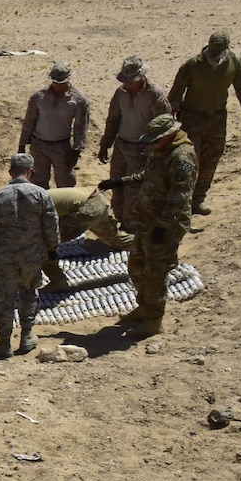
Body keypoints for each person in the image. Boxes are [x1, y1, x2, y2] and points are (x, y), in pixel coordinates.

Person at [99, 113, 195, 337]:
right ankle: (143, 307)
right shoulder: (161, 152)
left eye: (155, 139)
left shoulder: (182, 159)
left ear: (169, 135)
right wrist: (121, 182)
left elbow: (180, 198)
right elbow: (150, 176)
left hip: (165, 226)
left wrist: (163, 227)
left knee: (155, 273)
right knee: (136, 264)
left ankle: (154, 320)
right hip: (148, 221)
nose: (151, 144)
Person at [0, 153, 60, 358]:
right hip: (32, 257)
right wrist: (52, 249)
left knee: (3, 300)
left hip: (4, 259)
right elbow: (51, 225)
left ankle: (3, 342)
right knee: (29, 293)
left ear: (10, 172)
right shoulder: (41, 195)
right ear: (31, 172)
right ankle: (27, 335)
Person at [167, 30, 241, 215]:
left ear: (226, 48)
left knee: (211, 159)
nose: (215, 56)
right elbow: (177, 90)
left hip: (217, 118)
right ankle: (181, 199)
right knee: (188, 159)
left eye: (219, 51)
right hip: (192, 117)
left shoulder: (235, 63)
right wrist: (171, 113)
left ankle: (198, 200)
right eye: (213, 51)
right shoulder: (193, 64)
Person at [96, 56, 167, 220]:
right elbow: (113, 119)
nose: (127, 83)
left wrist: (152, 150)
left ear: (141, 76)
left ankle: (131, 227)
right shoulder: (120, 93)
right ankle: (120, 222)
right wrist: (105, 144)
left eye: (131, 80)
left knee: (133, 191)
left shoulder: (154, 94)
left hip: (142, 149)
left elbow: (164, 126)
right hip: (122, 146)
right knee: (116, 186)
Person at [42, 184, 130, 290]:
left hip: (85, 210)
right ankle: (148, 247)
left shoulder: (25, 209)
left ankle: (58, 282)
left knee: (43, 247)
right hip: (97, 200)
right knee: (115, 238)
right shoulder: (35, 198)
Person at [18, 62, 90, 189]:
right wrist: (22, 145)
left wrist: (77, 150)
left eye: (61, 83)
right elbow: (29, 121)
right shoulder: (39, 97)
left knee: (65, 184)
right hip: (39, 146)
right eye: (55, 82)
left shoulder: (79, 100)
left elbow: (81, 126)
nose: (58, 85)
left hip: (62, 147)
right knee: (38, 184)